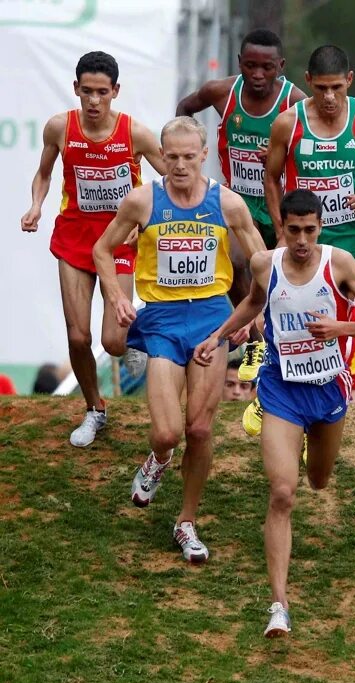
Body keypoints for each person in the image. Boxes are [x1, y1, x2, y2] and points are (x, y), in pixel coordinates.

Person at [194, 188, 355, 637]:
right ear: (282, 229)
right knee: (283, 492)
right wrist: (221, 334)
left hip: (329, 387)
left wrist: (341, 327)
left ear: (320, 228)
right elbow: (254, 301)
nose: (301, 239)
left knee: (318, 480)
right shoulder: (267, 264)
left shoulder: (339, 264)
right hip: (281, 389)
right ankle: (278, 604)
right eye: (293, 230)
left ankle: (306, 453)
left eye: (309, 230)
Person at [93, 116, 266, 563]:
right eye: (172, 157)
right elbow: (102, 250)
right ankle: (158, 459)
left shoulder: (228, 204)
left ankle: (186, 522)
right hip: (164, 320)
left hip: (211, 317)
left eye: (190, 157)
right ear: (161, 156)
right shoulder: (142, 201)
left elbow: (263, 259)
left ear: (204, 156)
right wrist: (115, 296)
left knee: (201, 427)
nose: (181, 165)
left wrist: (256, 310)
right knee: (167, 432)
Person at [21, 51, 164, 447]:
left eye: (102, 92)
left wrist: (145, 219)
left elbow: (172, 178)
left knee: (113, 342)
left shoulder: (135, 134)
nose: (94, 101)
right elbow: (44, 173)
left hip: (118, 238)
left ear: (116, 91)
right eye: (87, 92)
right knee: (78, 337)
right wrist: (35, 205)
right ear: (76, 89)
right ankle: (95, 410)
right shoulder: (59, 128)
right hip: (74, 237)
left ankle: (138, 335)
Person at [264, 44, 355, 274]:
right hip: (303, 234)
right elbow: (271, 178)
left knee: (348, 302)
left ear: (349, 79)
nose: (329, 97)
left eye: (336, 87)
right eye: (321, 88)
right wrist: (282, 230)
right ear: (308, 80)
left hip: (352, 233)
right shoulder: (287, 123)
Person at [176, 28, 305, 251]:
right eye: (250, 65)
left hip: (280, 203)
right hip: (238, 198)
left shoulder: (295, 101)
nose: (258, 74)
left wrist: (281, 156)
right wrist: (189, 149)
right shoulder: (221, 92)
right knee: (237, 261)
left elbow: (314, 149)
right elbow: (185, 107)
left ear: (280, 66)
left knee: (275, 273)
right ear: (239, 62)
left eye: (267, 67)